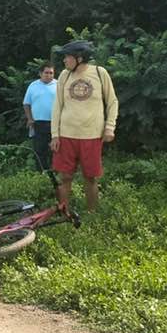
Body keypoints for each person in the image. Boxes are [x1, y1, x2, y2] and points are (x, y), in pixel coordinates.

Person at [50, 40, 119, 212]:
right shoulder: (65, 76)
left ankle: (92, 213)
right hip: (66, 135)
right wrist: (55, 134)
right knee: (64, 177)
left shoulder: (99, 72)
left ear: (79, 58)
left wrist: (110, 127)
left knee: (90, 178)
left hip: (92, 135)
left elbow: (112, 102)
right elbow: (57, 105)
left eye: (67, 57)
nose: (64, 60)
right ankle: (63, 212)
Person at [23, 63, 57, 171]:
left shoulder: (59, 85)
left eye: (51, 73)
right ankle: (42, 173)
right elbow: (26, 103)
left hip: (55, 123)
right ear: (40, 73)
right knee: (39, 150)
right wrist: (29, 119)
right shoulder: (33, 86)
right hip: (38, 123)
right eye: (46, 73)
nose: (49, 75)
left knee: (55, 149)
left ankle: (55, 173)